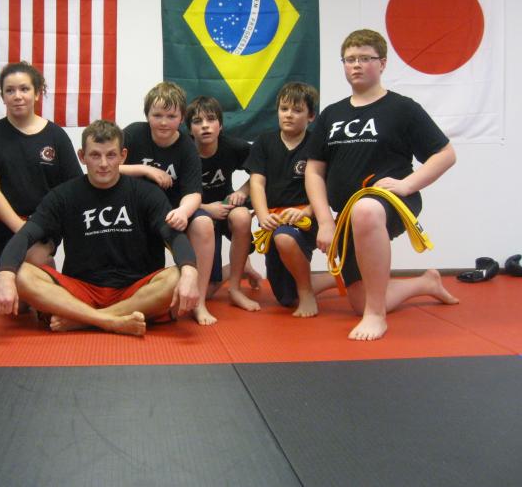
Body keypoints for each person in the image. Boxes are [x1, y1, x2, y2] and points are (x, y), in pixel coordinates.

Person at [305, 29, 459, 341]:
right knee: (358, 301)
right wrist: (325, 222)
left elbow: (445, 154)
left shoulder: (403, 108)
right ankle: (425, 283)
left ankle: (376, 316)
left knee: (366, 209)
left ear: (383, 63)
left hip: (391, 201)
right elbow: (314, 171)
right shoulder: (331, 114)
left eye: (365, 58)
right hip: (347, 215)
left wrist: (408, 184)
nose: (356, 65)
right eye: (349, 59)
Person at [0, 120, 199, 336]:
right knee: (21, 273)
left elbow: (173, 236)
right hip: (81, 290)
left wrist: (190, 270)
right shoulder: (62, 196)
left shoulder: (147, 193)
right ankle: (110, 320)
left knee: (177, 276)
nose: (103, 164)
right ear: (82, 156)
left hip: (135, 290)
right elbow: (25, 235)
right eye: (95, 155)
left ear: (123, 156)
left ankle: (83, 320)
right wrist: (5, 274)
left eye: (111, 155)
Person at [120, 82, 217, 325]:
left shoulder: (186, 146)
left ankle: (199, 302)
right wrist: (145, 169)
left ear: (182, 118)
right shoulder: (133, 134)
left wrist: (183, 211)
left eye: (171, 116)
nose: (163, 122)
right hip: (137, 213)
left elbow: (194, 193)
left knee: (203, 223)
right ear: (147, 115)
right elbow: (108, 166)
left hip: (172, 213)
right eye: (157, 115)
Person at [0, 62, 82, 274]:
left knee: (36, 271)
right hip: (6, 225)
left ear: (37, 93)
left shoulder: (56, 135)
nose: (17, 96)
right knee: (17, 291)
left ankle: (47, 272)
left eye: (24, 89)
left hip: (44, 227)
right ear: (2, 96)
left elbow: (73, 187)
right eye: (10, 90)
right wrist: (22, 231)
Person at [247, 82, 335, 317]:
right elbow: (257, 183)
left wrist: (306, 212)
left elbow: (325, 186)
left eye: (297, 110)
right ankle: (340, 277)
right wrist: (263, 216)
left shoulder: (317, 144)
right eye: (284, 109)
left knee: (285, 237)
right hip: (274, 219)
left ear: (311, 116)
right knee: (285, 297)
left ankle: (307, 294)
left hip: (306, 218)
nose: (288, 115)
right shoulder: (264, 142)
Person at [185, 96, 260, 312]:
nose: (205, 126)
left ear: (221, 125)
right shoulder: (183, 150)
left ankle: (235, 289)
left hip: (225, 206)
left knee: (242, 216)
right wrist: (206, 208)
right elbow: (174, 194)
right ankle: (237, 268)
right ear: (189, 129)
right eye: (197, 121)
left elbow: (260, 170)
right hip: (197, 213)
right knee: (206, 292)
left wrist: (241, 192)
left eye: (211, 119)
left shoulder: (234, 147)